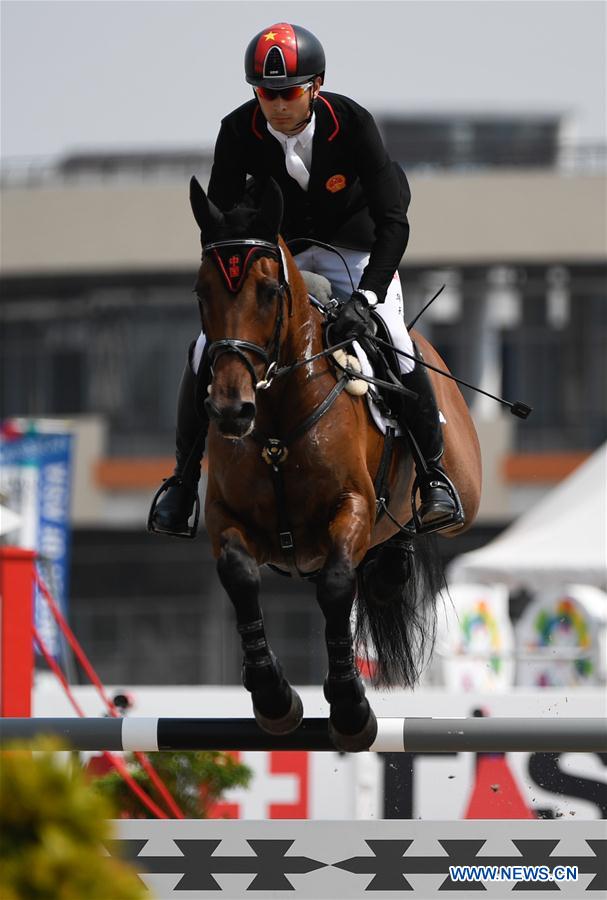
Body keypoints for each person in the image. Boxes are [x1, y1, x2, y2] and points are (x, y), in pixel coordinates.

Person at [149, 22, 460, 538]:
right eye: (266, 93)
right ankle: (181, 483)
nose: (277, 104)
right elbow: (224, 225)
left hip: (356, 256)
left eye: (289, 92)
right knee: (206, 347)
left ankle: (432, 478)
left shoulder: (354, 122)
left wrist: (369, 295)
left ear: (315, 86)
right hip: (282, 259)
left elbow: (394, 221)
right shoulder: (236, 131)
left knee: (398, 343)